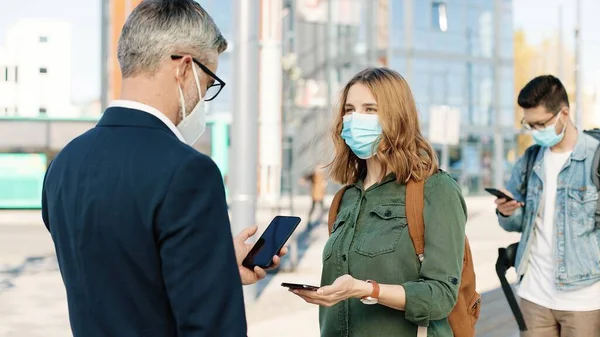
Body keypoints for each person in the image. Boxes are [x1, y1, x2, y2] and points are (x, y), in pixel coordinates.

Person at [41, 1, 285, 336]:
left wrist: (213, 265)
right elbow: (212, 326)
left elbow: (120, 278)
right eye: (209, 81)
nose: (204, 98)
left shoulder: (64, 164)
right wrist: (213, 276)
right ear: (184, 67)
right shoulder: (188, 171)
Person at [290, 68, 468, 336]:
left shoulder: (436, 190)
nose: (354, 119)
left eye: (370, 109)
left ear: (396, 116)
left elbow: (441, 296)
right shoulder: (344, 198)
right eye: (349, 110)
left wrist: (367, 289)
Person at [495, 75, 600, 336]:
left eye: (540, 124)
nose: (534, 132)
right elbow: (519, 223)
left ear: (564, 114)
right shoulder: (531, 160)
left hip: (583, 300)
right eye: (529, 125)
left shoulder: (595, 158)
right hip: (533, 296)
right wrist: (506, 212)